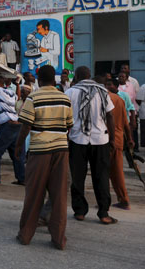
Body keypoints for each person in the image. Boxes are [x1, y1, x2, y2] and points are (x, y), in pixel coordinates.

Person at [15, 65, 73, 250]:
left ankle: (25, 235)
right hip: (61, 150)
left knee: (34, 194)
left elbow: (25, 126)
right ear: (54, 80)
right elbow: (69, 125)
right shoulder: (65, 98)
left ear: (39, 80)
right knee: (59, 196)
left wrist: (18, 147)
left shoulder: (34, 97)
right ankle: (58, 239)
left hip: (40, 151)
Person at [65, 66, 117, 224]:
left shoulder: (70, 92)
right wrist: (113, 139)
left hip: (77, 139)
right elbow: (110, 116)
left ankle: (80, 211)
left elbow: (65, 119)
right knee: (101, 176)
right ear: (89, 76)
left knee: (77, 177)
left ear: (78, 77)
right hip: (100, 139)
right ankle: (103, 213)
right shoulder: (102, 91)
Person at [105, 77, 134, 210]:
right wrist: (129, 139)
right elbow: (126, 123)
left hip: (106, 139)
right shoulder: (119, 100)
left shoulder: (104, 98)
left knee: (105, 172)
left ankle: (108, 202)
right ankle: (123, 199)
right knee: (116, 171)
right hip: (117, 139)